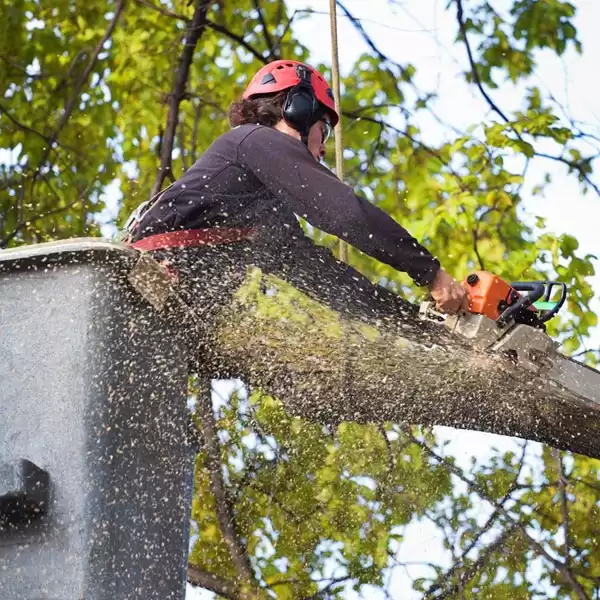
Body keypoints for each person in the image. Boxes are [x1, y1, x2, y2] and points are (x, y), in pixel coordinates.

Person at [127, 60, 469, 329]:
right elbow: (345, 213)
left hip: (162, 316)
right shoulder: (253, 140)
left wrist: (420, 327)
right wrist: (430, 272)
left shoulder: (264, 214)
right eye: (325, 130)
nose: (323, 149)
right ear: (298, 109)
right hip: (139, 288)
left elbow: (328, 280)